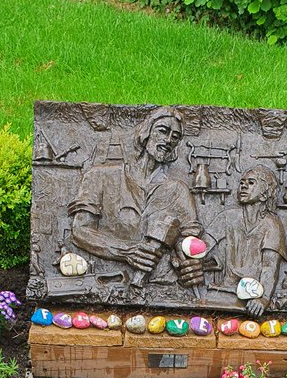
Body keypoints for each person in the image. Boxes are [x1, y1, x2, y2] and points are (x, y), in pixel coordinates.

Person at [69, 107, 203, 287]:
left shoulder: (179, 191)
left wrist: (191, 266)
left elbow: (187, 244)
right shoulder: (100, 177)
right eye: (163, 131)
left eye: (175, 136)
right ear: (146, 131)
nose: (168, 140)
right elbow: (80, 231)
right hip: (107, 280)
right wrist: (126, 251)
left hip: (162, 286)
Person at [203, 165, 287, 317]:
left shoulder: (272, 225)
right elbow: (202, 246)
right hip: (225, 291)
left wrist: (264, 298)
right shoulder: (228, 216)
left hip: (252, 297)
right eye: (242, 182)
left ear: (264, 194)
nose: (243, 185)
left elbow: (270, 267)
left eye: (251, 182)